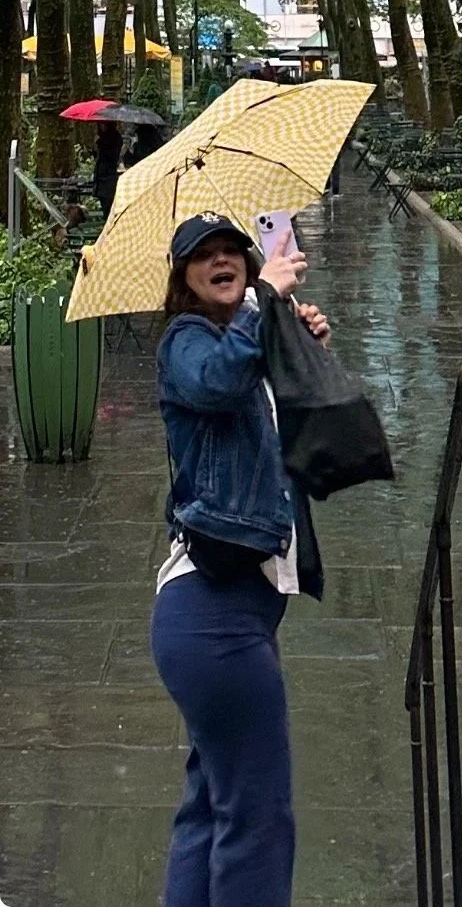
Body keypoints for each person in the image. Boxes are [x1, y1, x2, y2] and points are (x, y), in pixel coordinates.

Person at [150, 212, 330, 907]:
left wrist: (305, 347)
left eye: (234, 251)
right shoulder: (185, 341)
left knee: (214, 802)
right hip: (210, 613)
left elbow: (307, 445)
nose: (221, 260)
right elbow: (213, 384)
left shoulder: (248, 341)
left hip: (237, 612)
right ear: (185, 276)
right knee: (257, 815)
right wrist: (265, 304)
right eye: (204, 255)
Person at [94, 121, 122, 221]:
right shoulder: (103, 138)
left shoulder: (113, 138)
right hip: (101, 177)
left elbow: (111, 156)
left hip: (107, 177)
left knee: (108, 205)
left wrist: (100, 143)